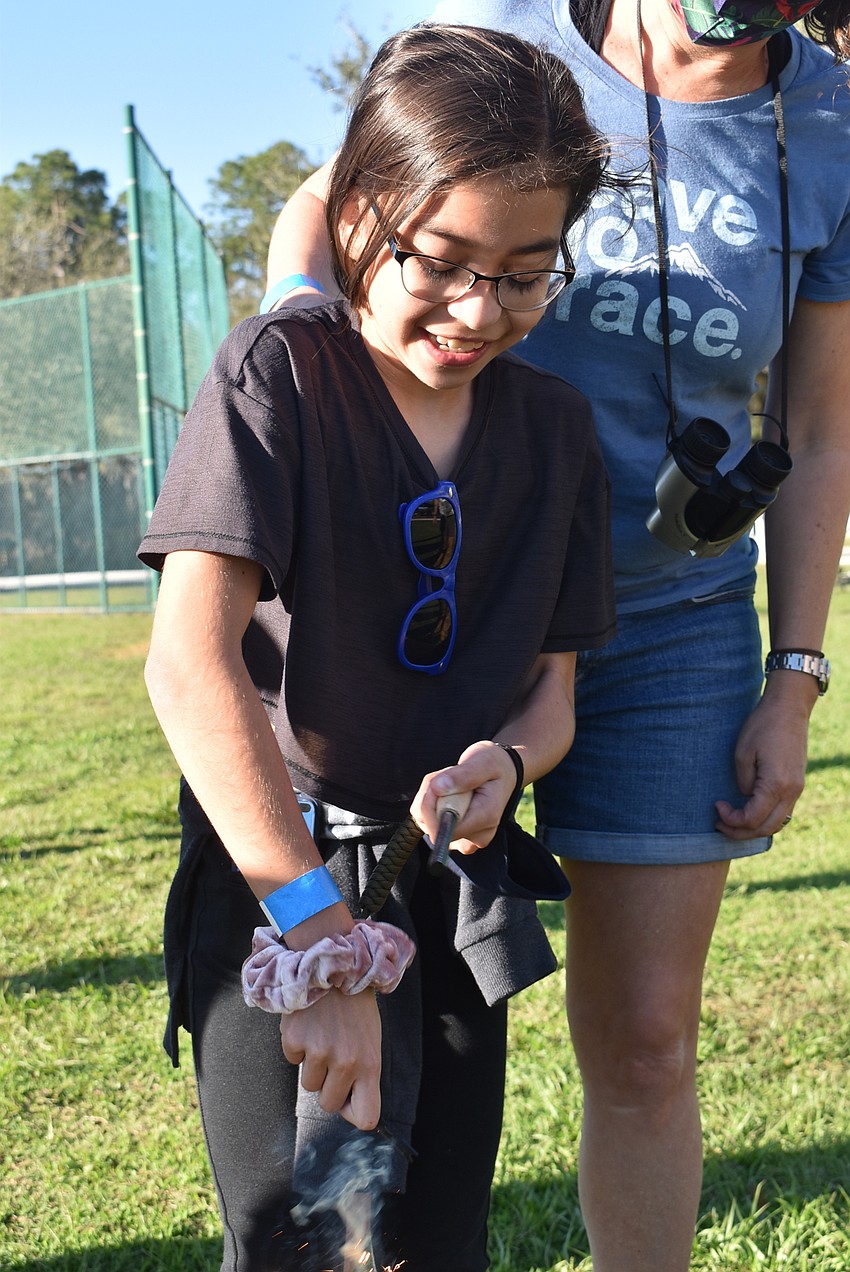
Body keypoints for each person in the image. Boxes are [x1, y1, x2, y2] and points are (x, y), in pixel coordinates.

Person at [266, 3, 850, 1270]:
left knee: (647, 1038)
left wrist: (792, 677)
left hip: (669, 620)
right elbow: (330, 208)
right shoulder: (511, 36)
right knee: (388, 1018)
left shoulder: (833, 121)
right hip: (442, 614)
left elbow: (820, 424)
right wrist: (295, 339)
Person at [140, 23, 620, 1272]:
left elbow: (549, 701)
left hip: (453, 900)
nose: (478, 311)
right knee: (308, 1239)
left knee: (431, 1238)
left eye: (525, 273)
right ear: (357, 216)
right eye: (443, 261)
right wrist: (319, 941)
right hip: (276, 888)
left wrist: (504, 770)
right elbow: (189, 667)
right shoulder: (278, 375)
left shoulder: (557, 431)